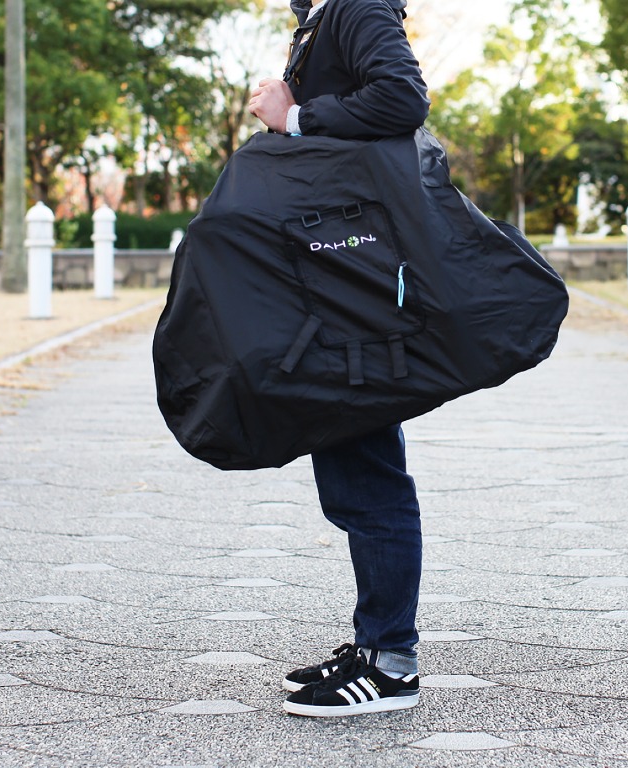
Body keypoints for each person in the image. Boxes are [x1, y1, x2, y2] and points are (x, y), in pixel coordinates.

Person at [247, 0, 430, 718]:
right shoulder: (326, 16)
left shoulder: (354, 6)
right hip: (342, 277)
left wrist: (295, 118)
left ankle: (391, 664)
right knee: (353, 469)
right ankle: (373, 643)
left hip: (358, 282)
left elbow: (402, 99)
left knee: (368, 475)